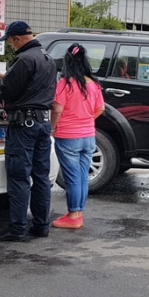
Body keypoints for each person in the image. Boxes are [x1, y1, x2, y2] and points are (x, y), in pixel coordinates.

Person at [0, 21, 57, 241]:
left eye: (11, 41)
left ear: (18, 38)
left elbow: (5, 91)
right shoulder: (48, 59)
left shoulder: (24, 59)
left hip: (23, 127)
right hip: (42, 123)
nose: (11, 46)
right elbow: (32, 87)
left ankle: (17, 229)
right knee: (41, 177)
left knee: (19, 178)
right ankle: (41, 226)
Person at [49, 43, 105, 229]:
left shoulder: (65, 84)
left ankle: (73, 216)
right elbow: (101, 109)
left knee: (72, 178)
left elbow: (57, 109)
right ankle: (77, 212)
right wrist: (86, 118)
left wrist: (52, 128)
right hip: (88, 135)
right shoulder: (94, 84)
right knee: (81, 176)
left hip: (68, 136)